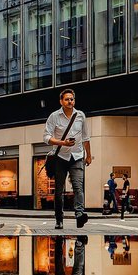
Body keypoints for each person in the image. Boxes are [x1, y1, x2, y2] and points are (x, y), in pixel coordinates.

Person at [44, 87, 92, 229]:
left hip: (77, 156)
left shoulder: (80, 115)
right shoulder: (54, 116)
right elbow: (46, 137)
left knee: (78, 186)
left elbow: (86, 138)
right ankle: (59, 219)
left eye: (72, 99)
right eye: (67, 99)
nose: (70, 101)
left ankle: (79, 214)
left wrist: (88, 156)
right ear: (61, 101)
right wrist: (62, 143)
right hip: (60, 157)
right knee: (59, 190)